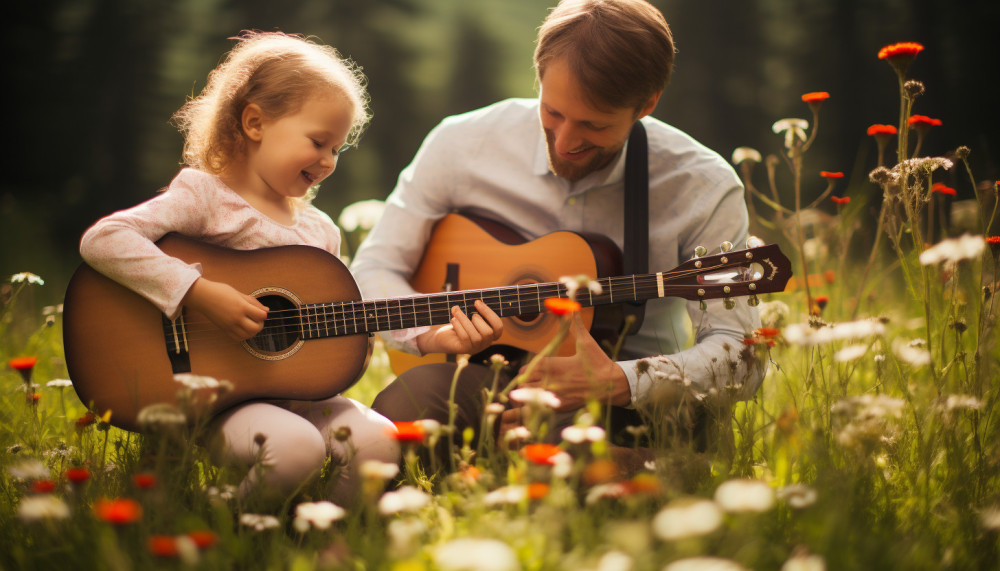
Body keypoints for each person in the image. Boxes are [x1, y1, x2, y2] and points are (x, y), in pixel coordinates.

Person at [351, 0, 764, 463]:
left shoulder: (702, 185)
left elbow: (741, 357)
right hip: (483, 375)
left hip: (623, 395)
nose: (566, 142)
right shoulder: (462, 142)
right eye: (553, 113)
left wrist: (617, 381)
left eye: (594, 124)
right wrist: (431, 331)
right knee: (399, 413)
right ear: (539, 77)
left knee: (589, 455)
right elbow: (376, 266)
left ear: (646, 104)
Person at [78, 31, 413, 508]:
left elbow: (325, 339)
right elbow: (103, 240)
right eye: (318, 142)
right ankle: (233, 537)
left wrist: (364, 336)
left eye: (337, 149)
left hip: (297, 397)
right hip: (215, 403)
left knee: (380, 441)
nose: (327, 161)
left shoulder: (321, 231)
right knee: (297, 450)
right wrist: (198, 292)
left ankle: (325, 542)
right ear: (255, 122)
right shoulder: (206, 197)